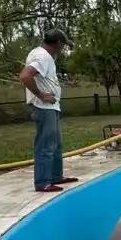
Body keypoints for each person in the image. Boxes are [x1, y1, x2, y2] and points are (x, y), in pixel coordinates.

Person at [19, 29, 79, 193]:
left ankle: (55, 176)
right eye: (63, 45)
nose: (63, 49)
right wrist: (41, 95)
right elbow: (25, 76)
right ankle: (43, 182)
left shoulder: (40, 54)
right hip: (44, 107)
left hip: (51, 107)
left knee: (56, 144)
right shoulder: (43, 57)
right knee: (46, 145)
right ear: (58, 43)